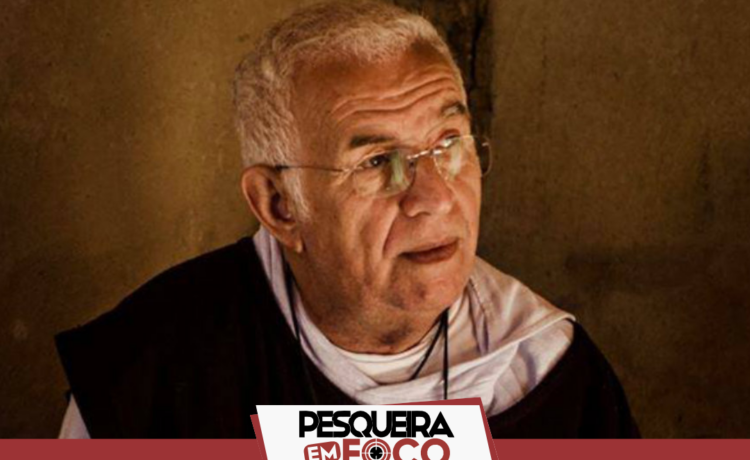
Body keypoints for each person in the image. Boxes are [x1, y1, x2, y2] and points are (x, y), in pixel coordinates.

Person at [56, 1, 639, 439]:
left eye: (448, 144)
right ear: (280, 205)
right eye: (378, 162)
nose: (435, 198)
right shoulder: (150, 374)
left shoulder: (552, 375)